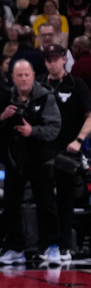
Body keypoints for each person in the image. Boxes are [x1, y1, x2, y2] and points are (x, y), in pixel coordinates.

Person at [0, 60, 62, 265]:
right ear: (13, 78)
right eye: (19, 75)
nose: (24, 78)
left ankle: (51, 247)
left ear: (33, 75)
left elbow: (54, 128)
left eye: (27, 74)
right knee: (10, 205)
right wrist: (2, 117)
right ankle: (15, 248)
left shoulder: (46, 96)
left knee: (46, 204)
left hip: (41, 160)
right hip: (14, 159)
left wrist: (32, 131)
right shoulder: (4, 98)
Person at [43, 44, 91, 262]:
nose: (52, 63)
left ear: (64, 59)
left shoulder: (77, 85)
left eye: (56, 58)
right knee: (45, 201)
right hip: (44, 151)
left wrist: (79, 140)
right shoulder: (40, 86)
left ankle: (65, 246)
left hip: (68, 151)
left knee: (66, 200)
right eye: (49, 59)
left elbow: (90, 116)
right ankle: (48, 244)